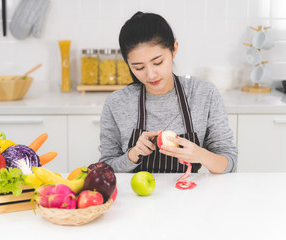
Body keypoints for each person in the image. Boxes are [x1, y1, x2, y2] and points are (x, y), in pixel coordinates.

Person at [98, 12, 238, 174]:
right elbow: (105, 168)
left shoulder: (204, 94)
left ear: (174, 50)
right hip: (135, 197)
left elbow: (230, 162)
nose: (151, 75)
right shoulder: (116, 103)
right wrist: (133, 154)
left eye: (158, 62)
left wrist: (201, 155)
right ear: (128, 64)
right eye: (139, 67)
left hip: (188, 193)